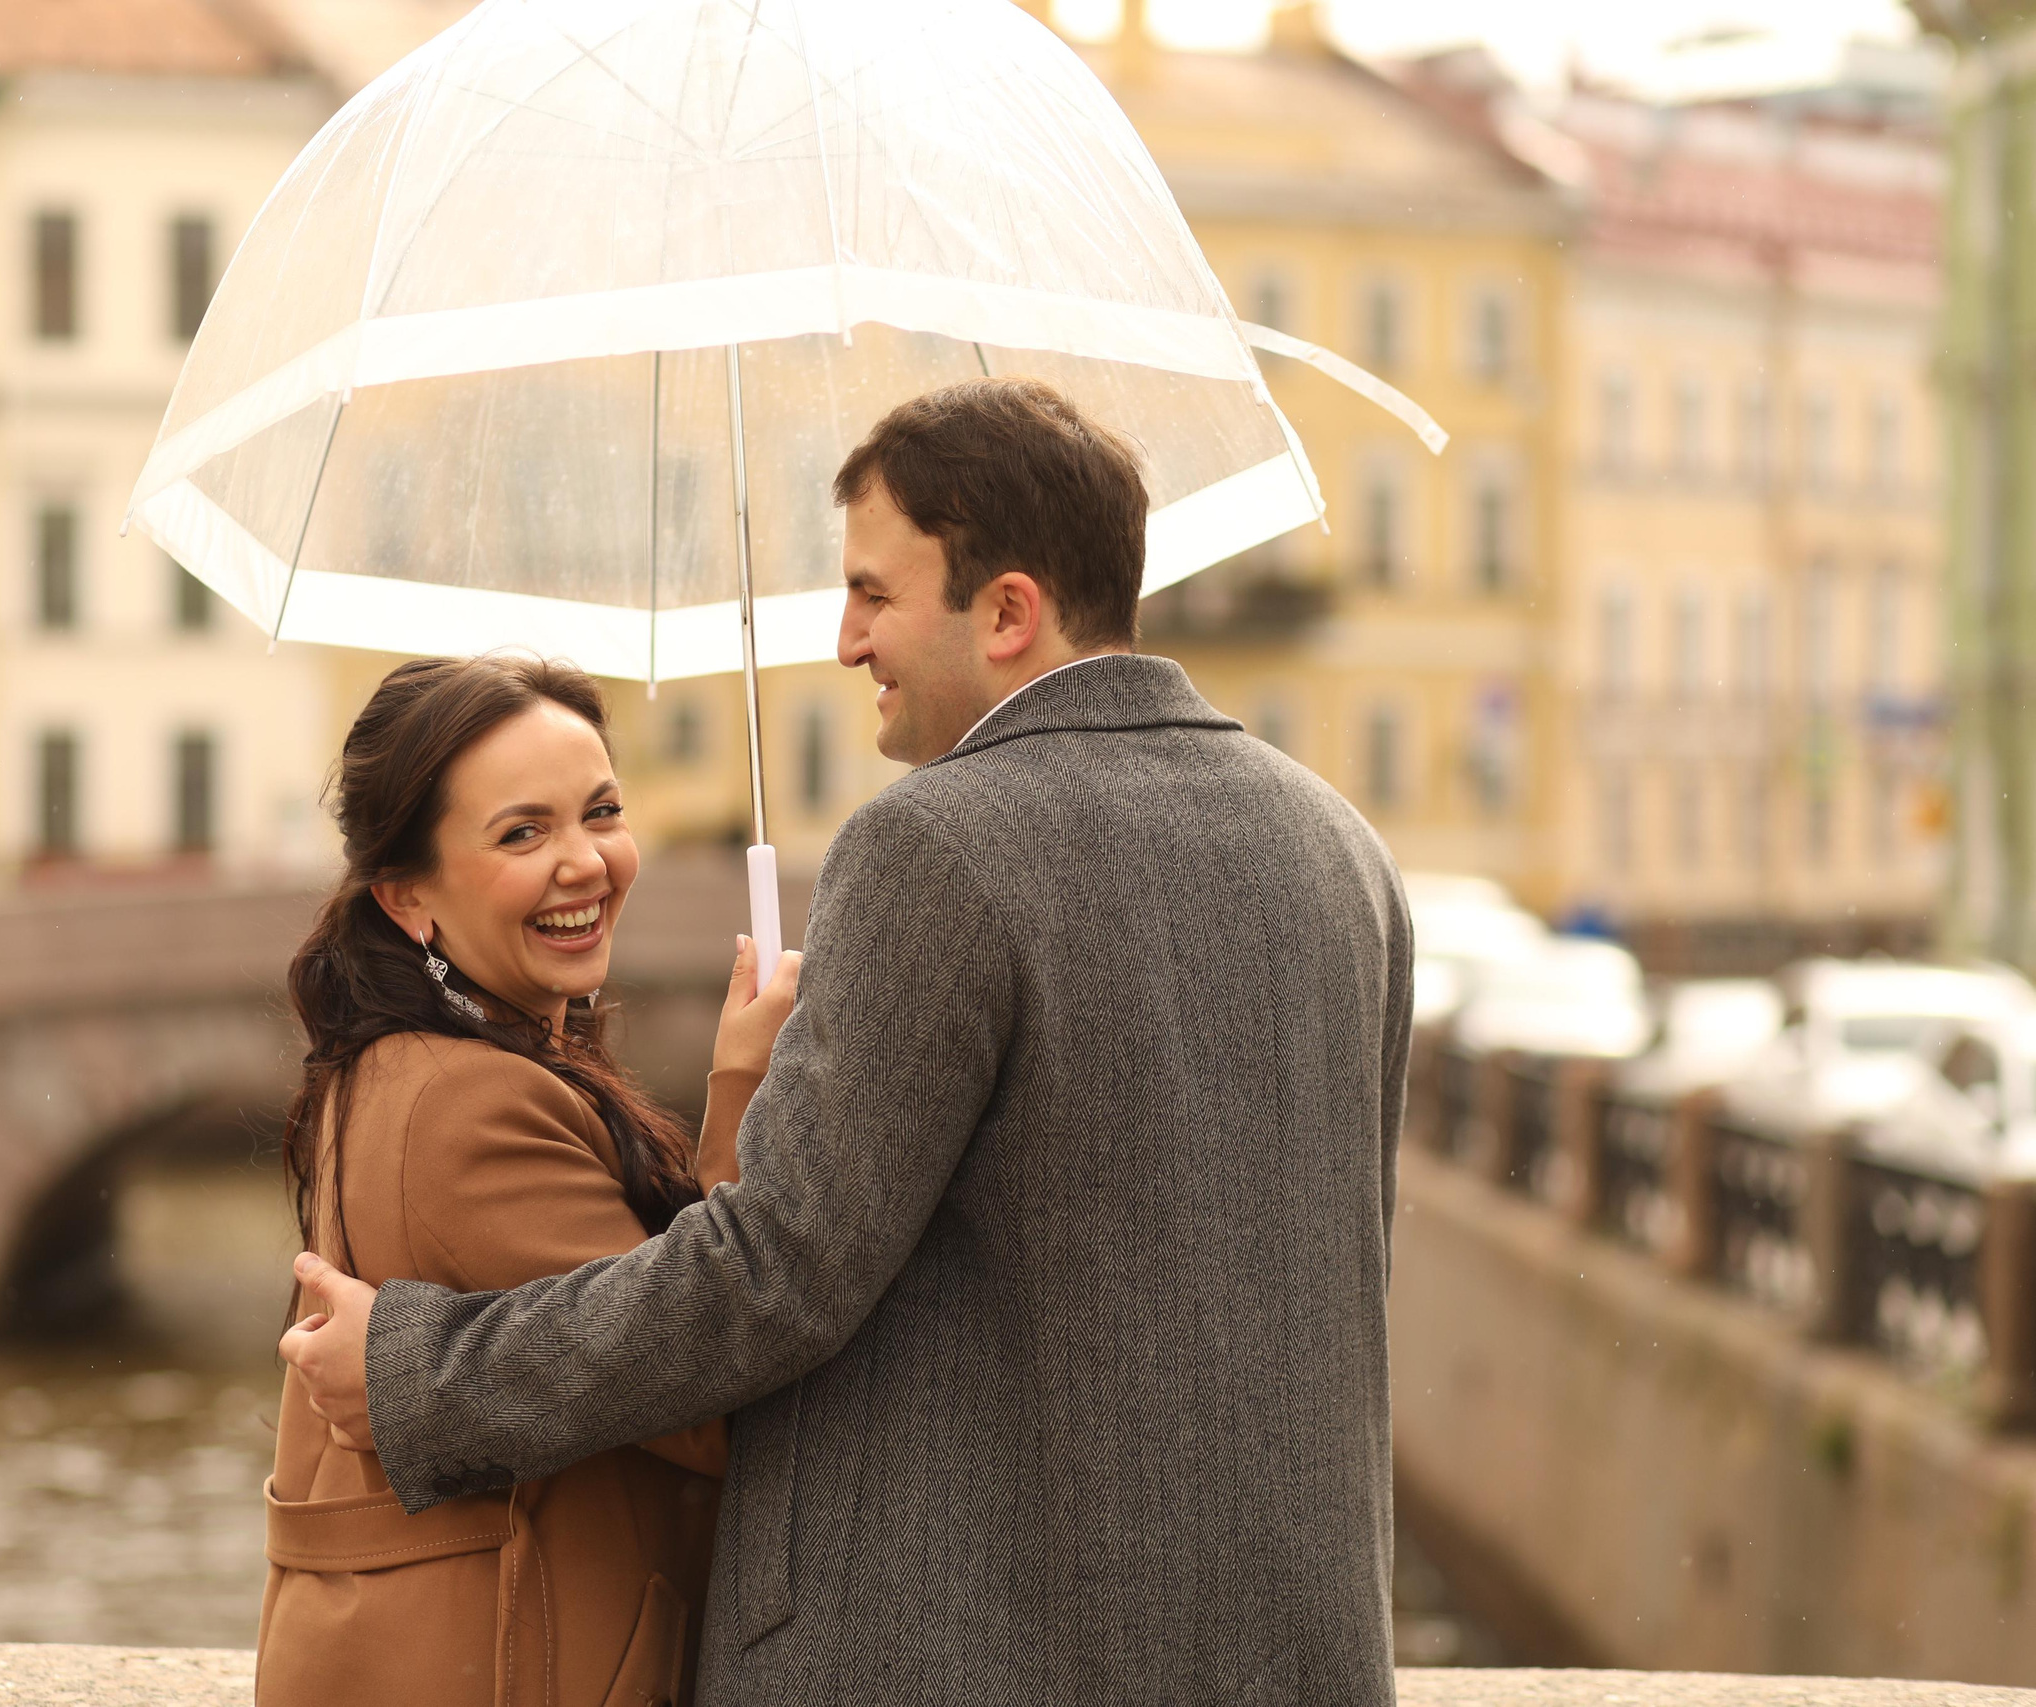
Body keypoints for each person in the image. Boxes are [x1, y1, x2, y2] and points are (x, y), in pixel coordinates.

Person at [283, 379, 1415, 1706]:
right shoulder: (1344, 849)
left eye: (874, 593)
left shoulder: (934, 843)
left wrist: (419, 1375)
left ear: (1007, 611)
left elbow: (774, 1278)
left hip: (974, 1656)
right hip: (1298, 1654)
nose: (844, 639)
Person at [259, 654, 800, 1707]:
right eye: (522, 833)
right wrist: (747, 1090)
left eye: (601, 812)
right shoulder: (467, 1103)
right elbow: (702, 1383)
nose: (585, 862)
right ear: (407, 897)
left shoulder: (421, 1060)